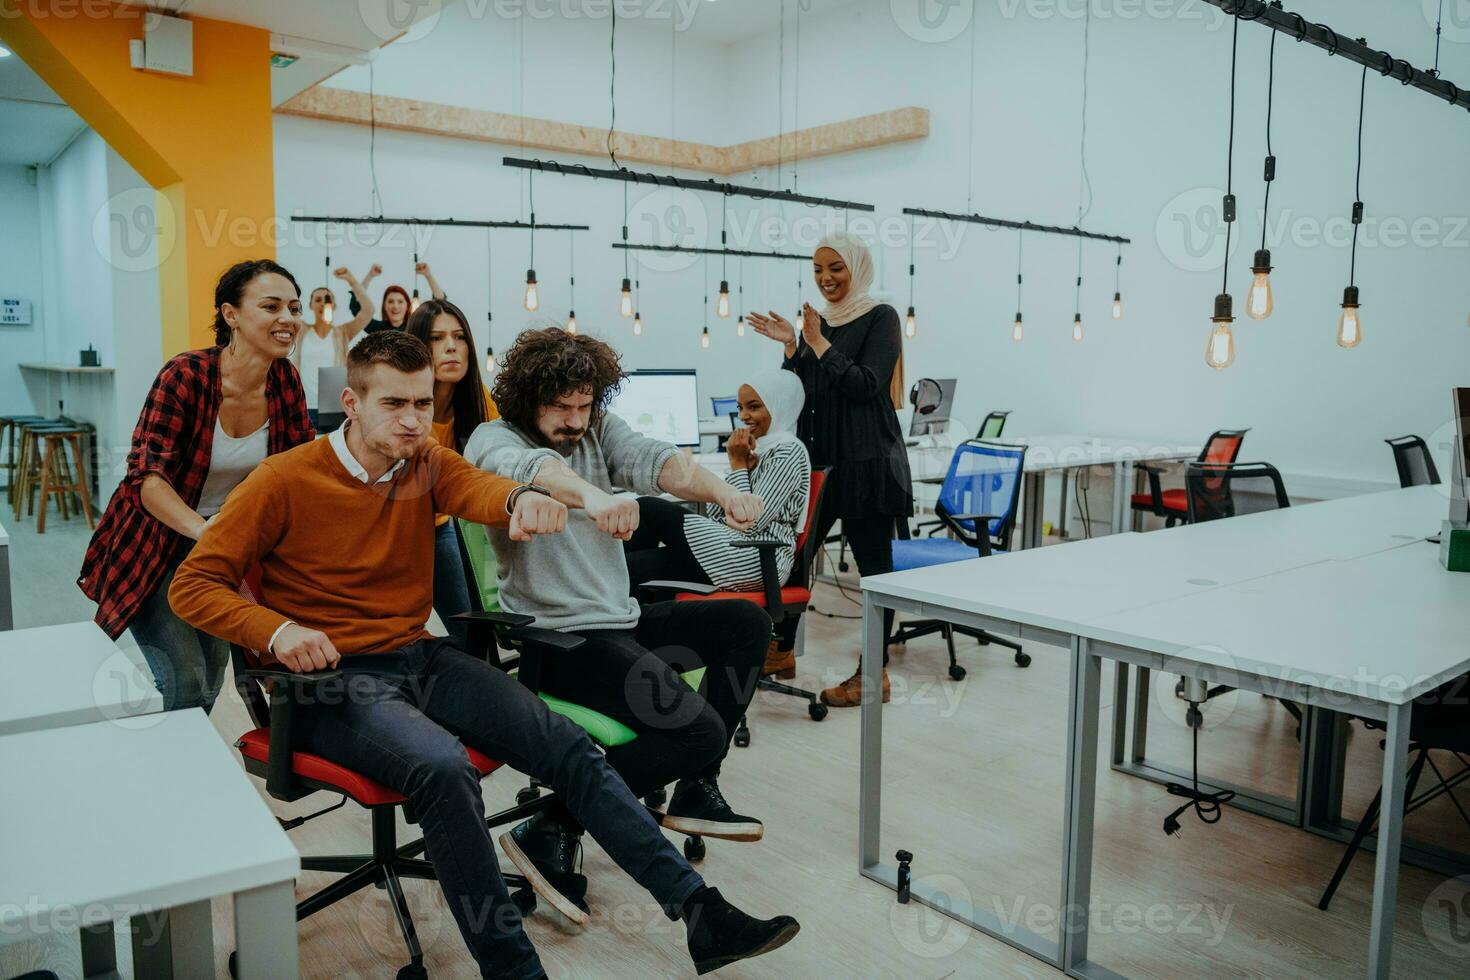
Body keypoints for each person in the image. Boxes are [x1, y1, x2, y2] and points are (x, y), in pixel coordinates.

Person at [168, 330, 799, 979]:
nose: (412, 419)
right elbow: (192, 584)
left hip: (419, 657)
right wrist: (275, 632)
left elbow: (481, 488)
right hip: (331, 680)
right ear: (352, 404)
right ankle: (514, 971)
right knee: (444, 768)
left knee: (566, 747)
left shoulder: (426, 464)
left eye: (420, 403)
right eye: (394, 404)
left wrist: (524, 501)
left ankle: (702, 915)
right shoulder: (283, 479)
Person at [466, 327, 772, 915]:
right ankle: (554, 823)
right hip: (555, 639)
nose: (576, 420)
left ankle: (696, 787)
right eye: (562, 406)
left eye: (585, 406)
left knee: (745, 623)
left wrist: (721, 492)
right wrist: (594, 498)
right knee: (700, 729)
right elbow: (532, 470)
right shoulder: (492, 437)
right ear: (528, 395)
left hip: (616, 623)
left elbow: (659, 461)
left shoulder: (600, 431)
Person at [77, 259, 316, 712]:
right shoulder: (186, 375)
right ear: (231, 315)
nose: (288, 319)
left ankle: (186, 770)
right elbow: (148, 480)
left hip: (224, 550)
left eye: (294, 307)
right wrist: (209, 533)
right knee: (184, 680)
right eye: (271, 306)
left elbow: (300, 470)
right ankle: (165, 777)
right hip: (155, 543)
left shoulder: (285, 382)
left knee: (210, 678)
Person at [747, 231, 913, 708]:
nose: (825, 278)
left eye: (835, 268)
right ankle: (780, 650)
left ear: (856, 269)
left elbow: (863, 386)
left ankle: (872, 673)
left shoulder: (881, 318)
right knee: (795, 558)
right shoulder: (821, 327)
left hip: (867, 464)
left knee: (874, 573)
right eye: (818, 269)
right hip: (821, 466)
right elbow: (811, 395)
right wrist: (792, 350)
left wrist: (815, 342)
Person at [624, 369, 811, 678]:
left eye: (754, 406)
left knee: (647, 509)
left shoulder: (787, 451)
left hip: (757, 558)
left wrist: (737, 465)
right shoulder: (761, 451)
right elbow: (719, 516)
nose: (743, 416)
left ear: (779, 406)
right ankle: (634, 657)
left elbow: (749, 521)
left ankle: (617, 642)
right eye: (740, 408)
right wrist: (741, 469)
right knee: (636, 568)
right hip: (732, 551)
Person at [404, 297, 500, 648]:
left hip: (446, 523)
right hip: (399, 529)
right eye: (437, 339)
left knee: (474, 630)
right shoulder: (403, 404)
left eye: (459, 338)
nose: (451, 348)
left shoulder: (478, 399)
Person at [294, 267, 374, 427]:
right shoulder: (300, 331)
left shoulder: (342, 333)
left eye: (328, 299)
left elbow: (368, 311)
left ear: (335, 305)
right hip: (303, 404)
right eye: (318, 299)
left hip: (332, 404)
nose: (324, 303)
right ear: (309, 305)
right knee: (306, 449)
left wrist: (351, 280)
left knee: (330, 448)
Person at [355, 260, 445, 333]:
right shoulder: (376, 328)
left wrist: (428, 275)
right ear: (384, 306)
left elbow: (440, 303)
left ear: (407, 306)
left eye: (400, 301)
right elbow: (356, 306)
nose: (395, 306)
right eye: (390, 301)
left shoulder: (416, 327)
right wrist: (370, 276)